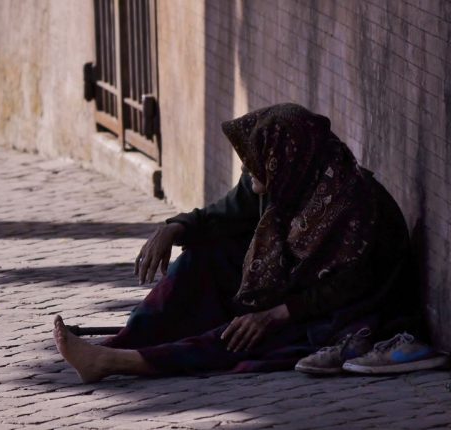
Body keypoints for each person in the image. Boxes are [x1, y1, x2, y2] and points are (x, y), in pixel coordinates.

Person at [53, 103, 426, 383]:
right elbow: (225, 213)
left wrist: (274, 314)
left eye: (254, 162)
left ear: (282, 157)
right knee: (205, 257)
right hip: (297, 287)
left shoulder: (354, 205)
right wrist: (174, 228)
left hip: (346, 311)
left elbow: (347, 288)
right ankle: (124, 342)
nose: (249, 172)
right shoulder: (290, 174)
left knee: (245, 335)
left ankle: (116, 362)